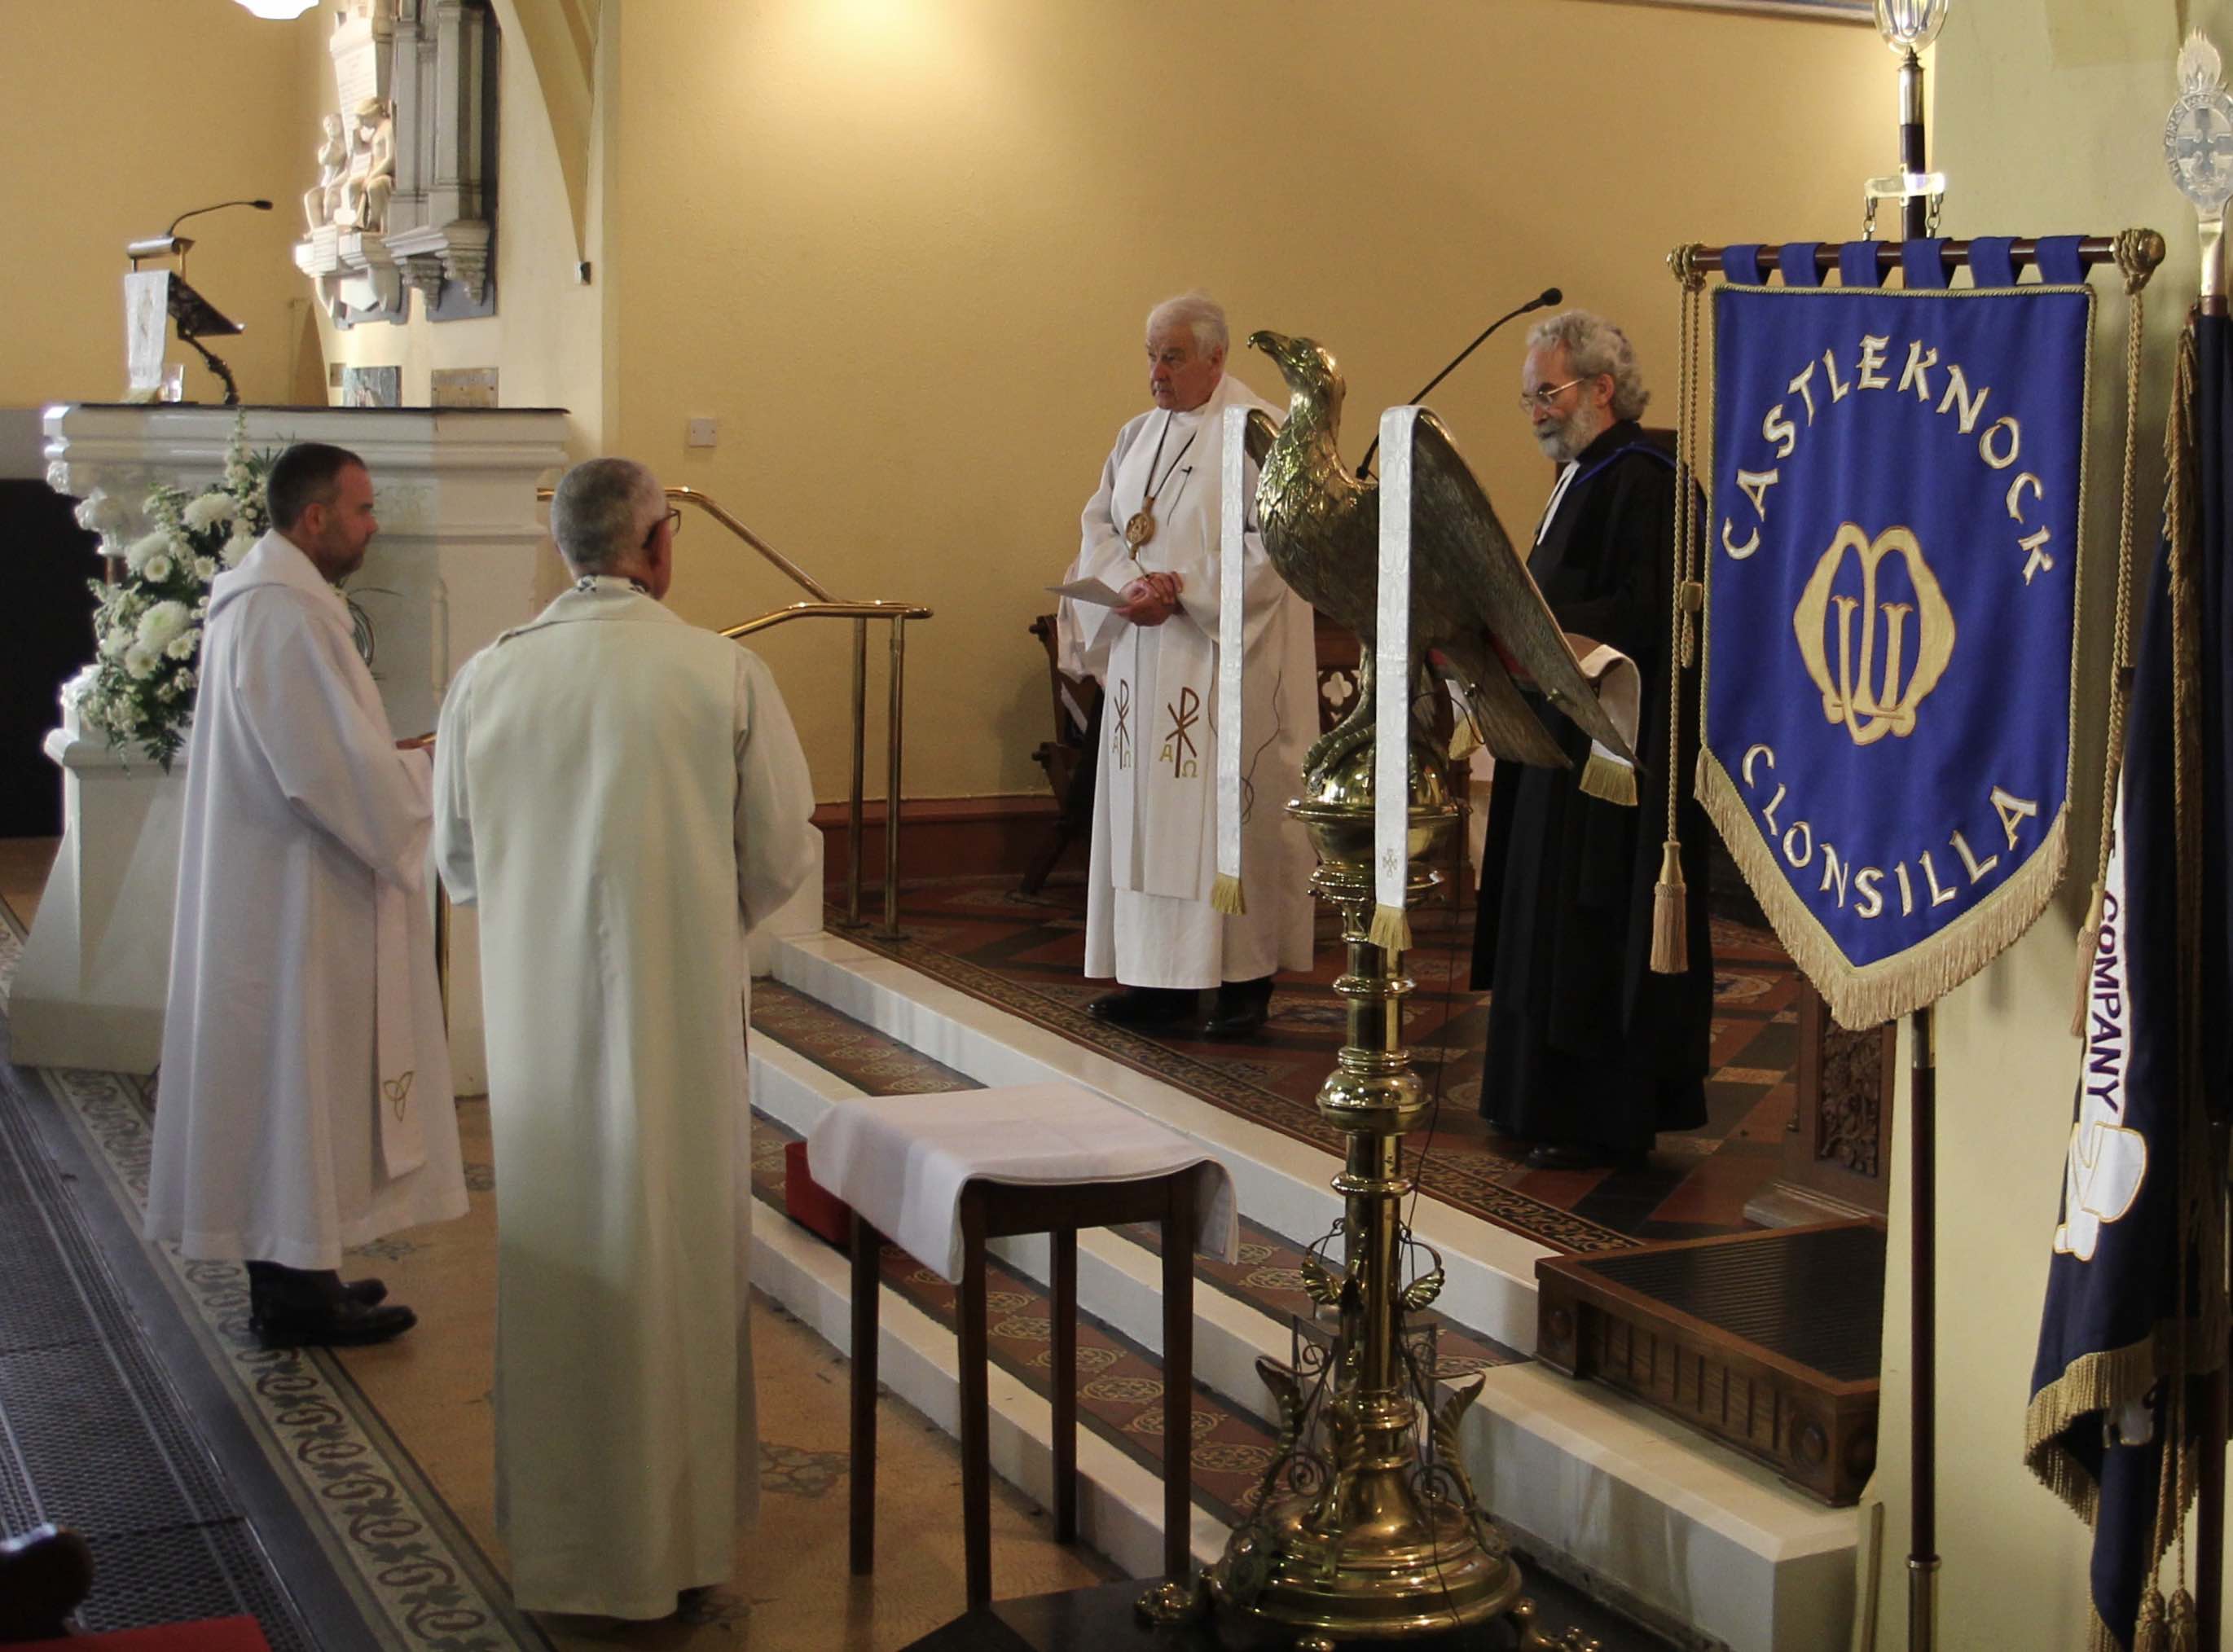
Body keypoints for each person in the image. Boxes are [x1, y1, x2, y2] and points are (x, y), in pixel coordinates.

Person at [432, 458, 817, 1619]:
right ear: (659, 549)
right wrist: (692, 921)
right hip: (680, 1027)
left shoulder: (486, 681)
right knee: (679, 1261)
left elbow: (458, 863)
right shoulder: (720, 673)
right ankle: (682, 1548)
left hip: (542, 1036)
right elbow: (780, 854)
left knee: (564, 1272)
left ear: (563, 549)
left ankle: (566, 1551)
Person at [145, 442, 466, 1346]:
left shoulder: (277, 598)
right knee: (297, 1079)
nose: (373, 528)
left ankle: (304, 1271)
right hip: (296, 897)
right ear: (315, 518)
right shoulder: (284, 613)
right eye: (362, 512)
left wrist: (396, 766)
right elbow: (327, 773)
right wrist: (434, 769)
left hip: (287, 885)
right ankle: (289, 1291)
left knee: (298, 1088)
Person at [1470, 310, 1714, 1170]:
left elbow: (1650, 613)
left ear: (1600, 390)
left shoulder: (1648, 480)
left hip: (1615, 749)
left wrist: (1549, 635)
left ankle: (1593, 1113)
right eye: (1528, 396)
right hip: (1559, 734)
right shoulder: (1582, 475)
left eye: (1548, 392)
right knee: (1544, 916)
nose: (1535, 410)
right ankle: (1530, 1099)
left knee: (1588, 918)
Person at [1058, 292, 1317, 1039]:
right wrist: (1130, 587)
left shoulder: (1261, 433)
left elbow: (1276, 544)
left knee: (1228, 820)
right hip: (1147, 659)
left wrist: (1186, 592)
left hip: (1221, 664)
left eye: (1171, 356)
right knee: (1144, 821)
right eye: (1150, 355)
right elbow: (1102, 525)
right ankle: (1156, 981)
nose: (1156, 372)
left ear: (1216, 357)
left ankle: (1243, 982)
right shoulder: (1136, 435)